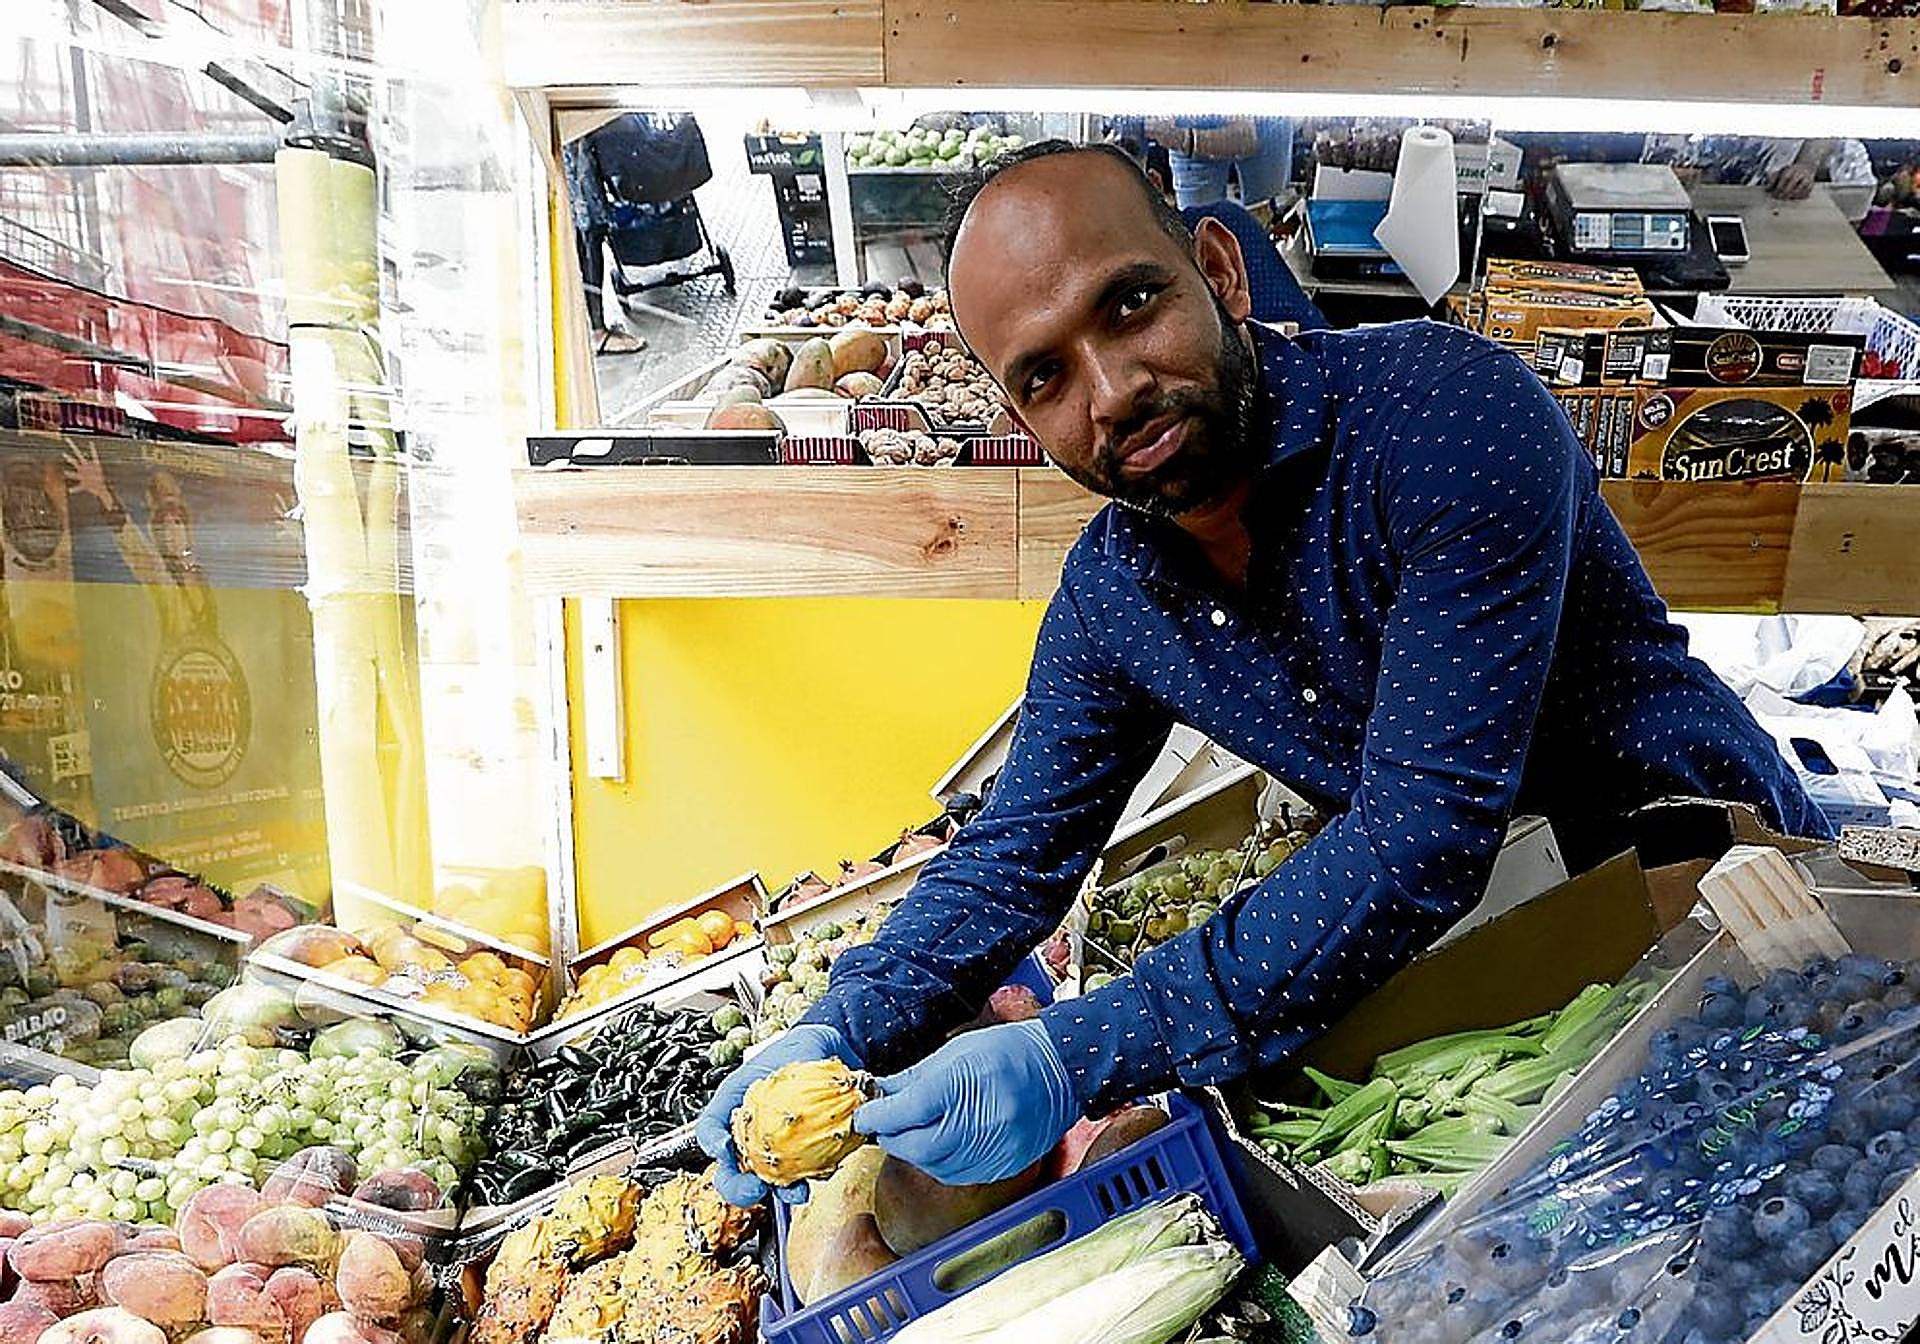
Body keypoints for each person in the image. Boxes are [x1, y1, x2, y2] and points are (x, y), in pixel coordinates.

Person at [697, 141, 1830, 1206]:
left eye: (1129, 305)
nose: (1110, 391)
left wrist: (1073, 1056)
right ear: (1020, 416)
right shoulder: (1116, 595)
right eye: (1044, 376)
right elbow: (1013, 852)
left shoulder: (1446, 417)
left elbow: (1418, 836)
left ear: (1221, 270)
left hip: (1716, 888)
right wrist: (845, 1022)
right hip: (1494, 960)